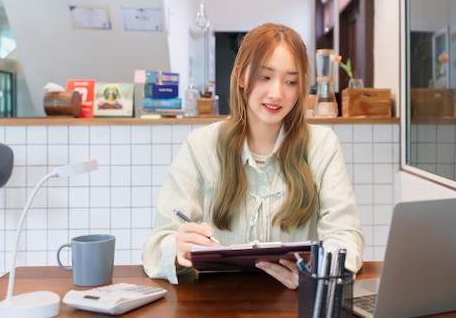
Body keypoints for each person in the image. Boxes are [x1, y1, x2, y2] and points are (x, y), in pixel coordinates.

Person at [142, 22, 364, 289]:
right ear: (241, 76)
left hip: (295, 303)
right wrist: (177, 248)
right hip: (217, 304)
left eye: (291, 81)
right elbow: (156, 246)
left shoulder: (322, 145)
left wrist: (317, 274)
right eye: (265, 77)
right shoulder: (200, 146)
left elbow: (346, 235)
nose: (276, 93)